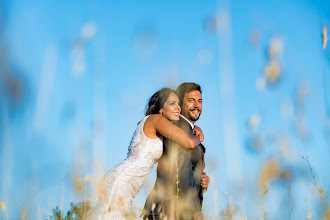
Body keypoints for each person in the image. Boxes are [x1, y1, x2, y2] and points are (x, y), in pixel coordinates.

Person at [87, 88, 203, 219]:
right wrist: (199, 135)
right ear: (160, 108)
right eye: (172, 103)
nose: (178, 108)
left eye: (178, 103)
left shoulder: (161, 127)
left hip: (128, 184)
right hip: (122, 180)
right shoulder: (156, 119)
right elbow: (188, 142)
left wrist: (194, 127)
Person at [142, 82, 209, 220]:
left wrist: (202, 183)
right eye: (191, 101)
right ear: (180, 104)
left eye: (200, 101)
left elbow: (189, 171)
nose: (197, 105)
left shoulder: (190, 130)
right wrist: (194, 210)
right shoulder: (178, 127)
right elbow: (180, 169)